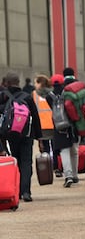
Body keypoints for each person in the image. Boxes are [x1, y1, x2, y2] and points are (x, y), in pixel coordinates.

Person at [0, 72, 42, 202]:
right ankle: (26, 192)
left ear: (6, 83)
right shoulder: (27, 97)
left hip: (9, 135)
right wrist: (39, 138)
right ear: (19, 83)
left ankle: (16, 191)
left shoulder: (2, 97)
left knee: (15, 161)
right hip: (26, 134)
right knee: (26, 162)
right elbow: (35, 117)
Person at [46, 71, 80, 187]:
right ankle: (75, 175)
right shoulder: (68, 93)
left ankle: (68, 175)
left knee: (64, 151)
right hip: (71, 124)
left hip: (58, 125)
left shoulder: (48, 96)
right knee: (74, 150)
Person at [33, 75, 54, 155]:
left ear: (40, 83)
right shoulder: (52, 93)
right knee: (55, 148)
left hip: (41, 125)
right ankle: (55, 165)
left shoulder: (34, 94)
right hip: (52, 124)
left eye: (36, 82)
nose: (34, 85)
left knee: (44, 149)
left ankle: (46, 165)